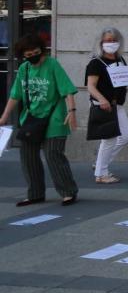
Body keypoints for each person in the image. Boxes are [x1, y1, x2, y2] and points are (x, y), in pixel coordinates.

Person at [0, 35, 80, 206]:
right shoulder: (24, 69)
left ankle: (68, 191)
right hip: (32, 118)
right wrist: (4, 117)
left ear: (42, 50)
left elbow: (67, 89)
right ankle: (35, 193)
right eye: (29, 55)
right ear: (23, 56)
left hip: (55, 117)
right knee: (28, 156)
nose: (34, 57)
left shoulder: (52, 64)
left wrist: (72, 111)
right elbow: (15, 95)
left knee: (53, 155)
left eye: (36, 52)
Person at [85, 26, 128, 184]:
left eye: (114, 40)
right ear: (101, 43)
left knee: (125, 136)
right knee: (109, 139)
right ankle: (101, 173)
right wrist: (102, 100)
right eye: (107, 40)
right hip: (104, 105)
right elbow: (91, 86)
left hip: (117, 105)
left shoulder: (120, 60)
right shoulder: (96, 63)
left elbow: (120, 80)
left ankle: (100, 164)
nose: (111, 43)